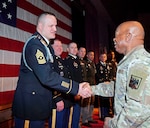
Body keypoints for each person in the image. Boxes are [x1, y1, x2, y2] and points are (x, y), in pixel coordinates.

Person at [12, 12, 92, 128]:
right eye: (51, 26)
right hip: (30, 107)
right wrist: (76, 88)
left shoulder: (45, 46)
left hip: (39, 105)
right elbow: (47, 77)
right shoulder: (35, 45)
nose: (55, 29)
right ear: (40, 26)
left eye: (56, 26)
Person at [103, 21, 150, 127]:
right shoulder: (131, 61)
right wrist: (91, 89)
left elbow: (137, 111)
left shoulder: (139, 63)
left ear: (128, 36)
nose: (114, 40)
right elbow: (119, 88)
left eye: (116, 36)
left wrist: (112, 124)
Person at [48, 39, 74, 128]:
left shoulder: (62, 61)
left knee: (66, 124)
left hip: (67, 99)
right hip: (58, 101)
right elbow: (50, 82)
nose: (59, 48)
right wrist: (57, 99)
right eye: (57, 46)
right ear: (51, 47)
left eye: (61, 46)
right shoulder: (51, 62)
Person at [64, 42, 83, 128]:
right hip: (73, 91)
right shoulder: (68, 61)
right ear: (68, 49)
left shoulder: (77, 60)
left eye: (76, 48)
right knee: (72, 114)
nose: (75, 49)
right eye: (72, 47)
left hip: (79, 90)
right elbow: (70, 78)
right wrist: (75, 91)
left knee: (77, 113)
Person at [81, 50, 97, 127]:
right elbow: (85, 75)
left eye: (93, 55)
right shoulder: (85, 63)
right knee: (86, 103)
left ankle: (90, 117)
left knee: (92, 103)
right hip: (88, 85)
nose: (92, 56)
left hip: (93, 85)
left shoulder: (92, 64)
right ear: (87, 55)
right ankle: (85, 119)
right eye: (90, 55)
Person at [95, 53, 112, 120]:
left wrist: (109, 80)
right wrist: (103, 81)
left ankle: (107, 113)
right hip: (102, 84)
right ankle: (102, 114)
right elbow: (97, 75)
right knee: (102, 100)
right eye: (102, 56)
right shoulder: (97, 65)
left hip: (108, 84)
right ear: (99, 58)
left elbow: (110, 74)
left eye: (104, 57)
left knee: (107, 99)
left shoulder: (108, 65)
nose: (103, 58)